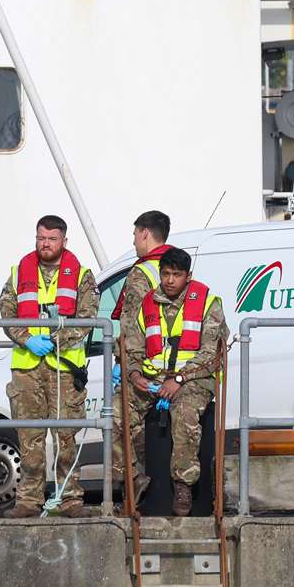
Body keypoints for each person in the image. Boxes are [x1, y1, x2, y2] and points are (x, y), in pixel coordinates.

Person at [0, 215, 99, 518]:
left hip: (65, 368)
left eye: (52, 238)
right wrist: (26, 338)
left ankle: (70, 499)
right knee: (29, 437)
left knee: (66, 437)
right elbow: (6, 311)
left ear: (64, 241)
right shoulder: (19, 272)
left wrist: (56, 339)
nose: (45, 244)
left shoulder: (82, 275)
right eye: (41, 237)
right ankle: (28, 500)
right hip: (27, 368)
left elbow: (87, 318)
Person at [117, 247, 227, 517]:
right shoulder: (147, 304)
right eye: (165, 274)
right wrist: (134, 375)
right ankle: (133, 479)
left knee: (185, 413)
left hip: (193, 380)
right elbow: (132, 347)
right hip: (151, 380)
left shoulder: (207, 303)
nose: (169, 280)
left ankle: (183, 483)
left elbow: (211, 353)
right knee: (115, 412)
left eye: (176, 275)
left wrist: (179, 379)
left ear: (188, 277)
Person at [109, 210, 173, 503]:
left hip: (146, 367)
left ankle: (134, 483)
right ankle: (153, 491)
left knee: (115, 419)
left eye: (135, 234)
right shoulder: (179, 266)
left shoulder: (142, 272)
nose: (134, 241)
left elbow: (132, 326)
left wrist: (126, 365)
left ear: (145, 233)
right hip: (175, 368)